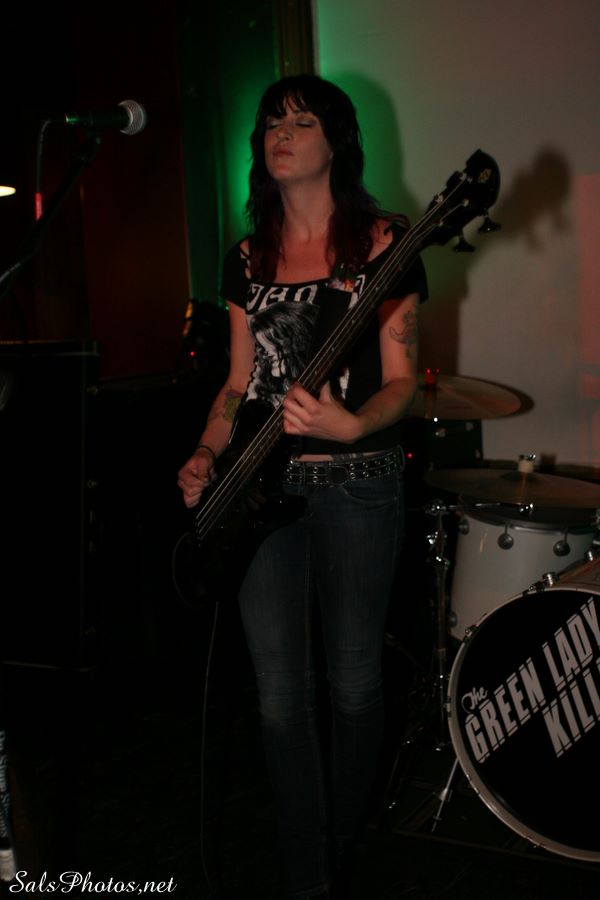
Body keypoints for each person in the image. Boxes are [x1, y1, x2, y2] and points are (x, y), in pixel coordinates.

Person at [177, 73, 428, 900]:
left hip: (358, 485)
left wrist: (352, 426)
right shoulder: (247, 257)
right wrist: (207, 453)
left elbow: (404, 381)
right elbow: (238, 382)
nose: (280, 134)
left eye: (300, 121)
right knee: (280, 698)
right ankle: (308, 875)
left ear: (336, 141)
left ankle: (345, 834)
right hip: (260, 491)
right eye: (271, 124)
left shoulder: (385, 242)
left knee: (355, 684)